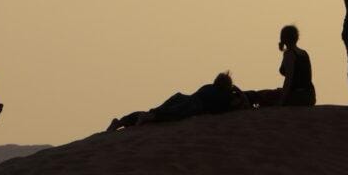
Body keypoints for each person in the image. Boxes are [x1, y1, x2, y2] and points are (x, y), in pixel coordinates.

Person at [106, 72, 250, 131]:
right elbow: (243, 105)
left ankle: (120, 122)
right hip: (192, 105)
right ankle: (136, 120)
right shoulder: (224, 96)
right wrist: (238, 91)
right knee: (161, 116)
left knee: (155, 112)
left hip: (182, 97)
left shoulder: (207, 87)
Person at [246, 26, 316, 107]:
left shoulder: (290, 54)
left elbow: (288, 80)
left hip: (296, 97)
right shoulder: (304, 53)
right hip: (309, 97)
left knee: (259, 95)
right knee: (268, 94)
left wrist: (281, 101)